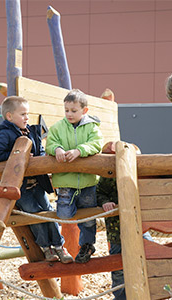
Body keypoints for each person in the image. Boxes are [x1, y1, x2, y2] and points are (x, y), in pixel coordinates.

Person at [0, 96, 73, 264]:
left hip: (37, 183)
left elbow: (39, 150)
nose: (27, 117)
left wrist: (38, 158)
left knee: (47, 210)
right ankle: (46, 247)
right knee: (33, 214)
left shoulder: (32, 131)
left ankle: (59, 246)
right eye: (23, 114)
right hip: (21, 187)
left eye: (28, 114)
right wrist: (18, 157)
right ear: (9, 116)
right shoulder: (5, 134)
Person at [45, 89, 104, 263]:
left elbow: (96, 144)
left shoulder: (92, 127)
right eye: (66, 110)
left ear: (84, 111)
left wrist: (80, 151)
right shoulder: (57, 128)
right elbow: (50, 143)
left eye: (73, 110)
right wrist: (57, 149)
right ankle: (60, 244)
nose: (69, 114)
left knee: (87, 219)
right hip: (66, 181)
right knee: (64, 215)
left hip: (87, 182)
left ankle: (87, 245)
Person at [97, 141, 153, 300]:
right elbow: (99, 192)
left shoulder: (140, 175)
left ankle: (152, 290)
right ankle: (121, 296)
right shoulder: (108, 178)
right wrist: (104, 202)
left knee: (150, 255)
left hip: (140, 227)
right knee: (118, 267)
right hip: (117, 231)